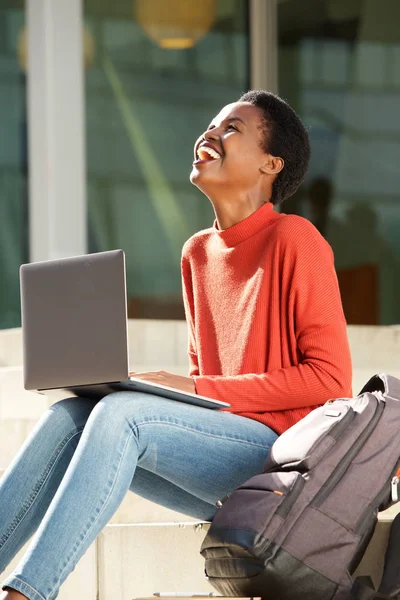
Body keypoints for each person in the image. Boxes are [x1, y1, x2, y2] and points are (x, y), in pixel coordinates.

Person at [0, 90, 353, 600]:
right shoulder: (197, 253)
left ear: (271, 164)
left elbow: (329, 381)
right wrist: (163, 387)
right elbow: (206, 381)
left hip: (277, 462)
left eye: (231, 128)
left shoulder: (296, 239)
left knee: (123, 414)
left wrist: (188, 387)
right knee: (71, 415)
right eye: (210, 125)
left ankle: (25, 594)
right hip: (217, 454)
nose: (209, 134)